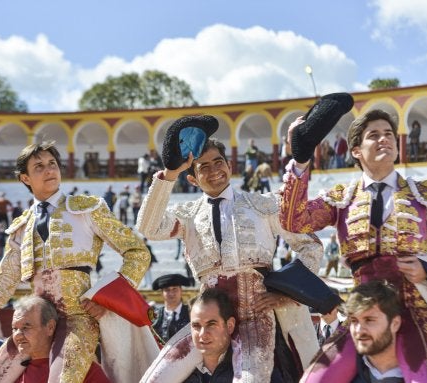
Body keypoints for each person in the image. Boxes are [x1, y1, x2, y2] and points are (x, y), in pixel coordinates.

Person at [282, 108, 427, 382]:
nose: (384, 139)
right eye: (374, 135)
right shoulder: (343, 198)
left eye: (389, 134)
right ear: (356, 151)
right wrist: (300, 161)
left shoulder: (425, 197)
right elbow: (294, 220)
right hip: (362, 313)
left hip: (415, 312)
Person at [0, 140, 151, 383]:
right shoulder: (21, 227)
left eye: (52, 164)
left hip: (78, 318)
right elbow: (1, 286)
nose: (49, 170)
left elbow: (137, 251)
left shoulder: (86, 209)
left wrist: (109, 300)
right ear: (25, 178)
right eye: (39, 166)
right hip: (34, 322)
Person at [137, 122, 321, 382]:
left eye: (218, 162)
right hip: (208, 319)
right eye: (204, 167)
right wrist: (169, 173)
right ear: (192, 178)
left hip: (256, 315)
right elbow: (149, 227)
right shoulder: (188, 215)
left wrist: (286, 294)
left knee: (250, 379)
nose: (214, 171)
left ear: (230, 166)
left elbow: (310, 245)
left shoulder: (262, 205)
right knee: (155, 379)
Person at [7, 295, 110, 383]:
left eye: (26, 327)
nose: (17, 335)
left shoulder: (82, 369)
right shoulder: (11, 374)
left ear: (50, 327)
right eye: (14, 329)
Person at [182, 288, 236, 383]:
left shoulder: (250, 370)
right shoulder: (178, 375)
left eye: (211, 324)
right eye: (196, 326)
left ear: (230, 326)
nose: (202, 334)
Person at [151, 273, 191, 343]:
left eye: (175, 289)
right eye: (167, 290)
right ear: (161, 293)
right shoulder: (154, 316)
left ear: (181, 291)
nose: (171, 293)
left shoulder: (191, 313)